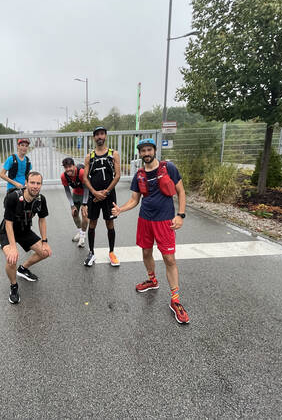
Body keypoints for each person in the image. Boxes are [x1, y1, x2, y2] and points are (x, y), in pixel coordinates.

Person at [111, 138, 189, 324]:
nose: (146, 153)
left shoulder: (168, 168)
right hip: (145, 219)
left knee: (169, 258)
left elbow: (181, 191)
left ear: (154, 151)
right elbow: (134, 199)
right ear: (140, 153)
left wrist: (181, 215)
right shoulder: (139, 174)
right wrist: (121, 209)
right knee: (146, 252)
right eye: (143, 150)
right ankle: (152, 280)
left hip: (164, 221)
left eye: (149, 150)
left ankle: (175, 299)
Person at [0, 171, 52, 304]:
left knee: (45, 252)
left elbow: (42, 220)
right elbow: (8, 223)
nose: (35, 186)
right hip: (7, 230)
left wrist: (44, 241)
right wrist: (12, 247)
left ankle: (23, 269)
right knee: (12, 258)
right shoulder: (14, 197)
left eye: (38, 183)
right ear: (26, 183)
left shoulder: (41, 199)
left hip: (24, 230)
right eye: (32, 182)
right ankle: (14, 286)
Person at [82, 126, 121, 267]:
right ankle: (91, 252)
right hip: (94, 196)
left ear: (105, 136)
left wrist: (105, 192)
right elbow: (85, 178)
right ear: (94, 137)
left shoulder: (113, 154)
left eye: (102, 134)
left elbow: (117, 175)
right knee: (92, 223)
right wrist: (94, 192)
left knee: (109, 223)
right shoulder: (89, 156)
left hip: (109, 196)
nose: (100, 137)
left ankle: (111, 252)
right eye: (97, 134)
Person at [60, 157, 89, 247]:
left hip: (86, 194)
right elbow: (67, 191)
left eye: (70, 166)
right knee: (74, 213)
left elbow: (87, 188)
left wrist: (84, 204)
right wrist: (72, 205)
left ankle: (83, 237)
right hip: (76, 194)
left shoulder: (81, 173)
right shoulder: (63, 176)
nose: (68, 169)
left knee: (84, 215)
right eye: (66, 167)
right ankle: (80, 232)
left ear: (74, 165)